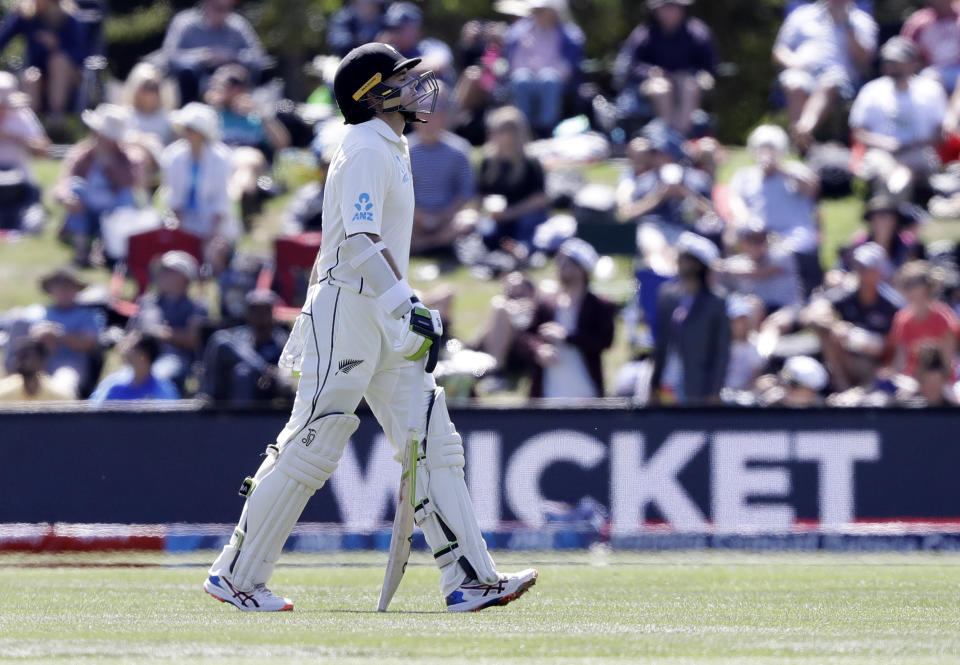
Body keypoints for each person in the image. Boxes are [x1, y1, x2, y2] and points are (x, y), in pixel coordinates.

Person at [204, 42, 536, 613]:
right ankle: (235, 574)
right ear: (372, 95)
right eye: (401, 81)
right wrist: (407, 303)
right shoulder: (364, 147)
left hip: (380, 312)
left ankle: (469, 580)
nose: (415, 90)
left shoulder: (389, 145)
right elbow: (358, 241)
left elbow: (374, 242)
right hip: (346, 309)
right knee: (314, 439)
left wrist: (400, 306)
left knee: (431, 440)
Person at [513, 238, 616, 399]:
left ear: (581, 268)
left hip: (586, 394)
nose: (560, 266)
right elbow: (525, 337)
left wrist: (567, 337)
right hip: (546, 395)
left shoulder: (599, 305)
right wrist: (538, 349)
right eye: (559, 260)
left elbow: (604, 341)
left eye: (566, 262)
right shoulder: (546, 303)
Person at [727, 124, 822, 294]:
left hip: (793, 235)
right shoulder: (744, 176)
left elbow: (812, 187)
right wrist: (748, 224)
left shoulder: (793, 170)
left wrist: (779, 168)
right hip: (758, 235)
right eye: (761, 148)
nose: (765, 153)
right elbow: (735, 204)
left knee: (789, 248)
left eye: (770, 148)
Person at [849, 37, 947, 198]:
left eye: (897, 62)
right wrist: (883, 143)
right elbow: (858, 132)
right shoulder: (871, 90)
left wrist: (913, 143)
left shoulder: (931, 90)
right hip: (881, 152)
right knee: (883, 167)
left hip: (918, 151)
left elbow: (940, 134)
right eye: (888, 62)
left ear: (913, 63)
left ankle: (891, 203)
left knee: (910, 168)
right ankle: (892, 202)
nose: (891, 67)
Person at [774, 0, 878, 149]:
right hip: (802, 71)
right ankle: (801, 141)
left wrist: (847, 26)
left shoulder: (861, 20)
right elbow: (780, 50)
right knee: (794, 83)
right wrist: (794, 62)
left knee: (828, 84)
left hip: (840, 77)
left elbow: (865, 58)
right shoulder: (801, 15)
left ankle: (802, 132)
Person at [613, 0, 716, 136]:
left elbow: (709, 66)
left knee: (689, 87)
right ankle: (667, 137)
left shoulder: (697, 32)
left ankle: (678, 137)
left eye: (673, 7)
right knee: (662, 90)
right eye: (665, 8)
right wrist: (650, 72)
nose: (669, 13)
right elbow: (631, 66)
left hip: (687, 82)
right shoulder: (643, 33)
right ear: (655, 10)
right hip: (652, 83)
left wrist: (688, 74)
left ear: (682, 9)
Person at [650, 232, 730, 405]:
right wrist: (653, 383)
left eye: (685, 259)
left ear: (698, 265)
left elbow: (721, 350)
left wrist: (715, 390)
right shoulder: (667, 295)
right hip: (668, 381)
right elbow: (661, 342)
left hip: (698, 385)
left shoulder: (716, 301)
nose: (679, 262)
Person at [811, 242, 903, 391]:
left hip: (879, 367)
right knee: (828, 333)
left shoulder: (892, 305)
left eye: (867, 268)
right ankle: (842, 388)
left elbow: (896, 345)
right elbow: (817, 308)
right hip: (849, 359)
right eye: (858, 267)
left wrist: (862, 338)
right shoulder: (848, 294)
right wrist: (836, 325)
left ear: (879, 271)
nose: (862, 273)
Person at [204, 64, 290, 223]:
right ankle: (237, 207)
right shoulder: (213, 114)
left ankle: (235, 204)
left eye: (233, 87)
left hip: (248, 158)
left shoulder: (255, 116)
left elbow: (283, 143)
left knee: (248, 162)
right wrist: (212, 107)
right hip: (218, 159)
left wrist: (262, 114)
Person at [55, 103, 139, 266]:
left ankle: (111, 249)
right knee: (76, 187)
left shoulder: (129, 158)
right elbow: (64, 182)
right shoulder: (82, 154)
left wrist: (110, 165)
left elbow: (131, 184)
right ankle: (81, 250)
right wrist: (67, 197)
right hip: (85, 210)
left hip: (112, 213)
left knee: (126, 196)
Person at [408, 89, 476, 254]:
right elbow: (395, 192)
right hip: (414, 218)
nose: (428, 122)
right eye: (423, 117)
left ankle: (424, 246)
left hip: (448, 217)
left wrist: (445, 215)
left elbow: (466, 192)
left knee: (469, 220)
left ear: (443, 118)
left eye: (434, 116)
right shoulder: (403, 150)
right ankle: (435, 245)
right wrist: (418, 215)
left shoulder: (459, 149)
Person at [128, 250, 207, 391]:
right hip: (138, 357)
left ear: (185, 278)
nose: (162, 276)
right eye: (162, 271)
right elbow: (130, 333)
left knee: (158, 377)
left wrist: (160, 333)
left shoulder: (196, 307)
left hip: (173, 358)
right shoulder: (146, 302)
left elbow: (194, 339)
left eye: (169, 272)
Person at [503, 0, 584, 138]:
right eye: (536, 10)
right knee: (522, 79)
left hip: (555, 80)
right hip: (526, 77)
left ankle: (545, 131)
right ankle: (524, 130)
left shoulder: (569, 35)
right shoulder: (519, 32)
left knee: (549, 79)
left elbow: (568, 67)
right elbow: (513, 63)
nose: (538, 14)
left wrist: (544, 73)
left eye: (542, 10)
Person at [162, 102, 239, 246]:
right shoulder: (173, 156)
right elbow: (174, 198)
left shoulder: (221, 158)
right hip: (183, 223)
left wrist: (210, 235)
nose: (186, 133)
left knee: (214, 251)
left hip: (215, 227)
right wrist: (179, 230)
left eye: (190, 129)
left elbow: (221, 202)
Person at [162, 0, 267, 104]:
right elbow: (170, 56)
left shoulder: (238, 25)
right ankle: (188, 110)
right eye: (218, 7)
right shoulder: (184, 23)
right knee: (187, 71)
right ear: (206, 4)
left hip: (232, 83)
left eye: (227, 8)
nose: (223, 12)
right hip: (198, 80)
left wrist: (232, 56)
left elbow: (258, 57)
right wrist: (201, 56)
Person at [476, 105, 550, 250]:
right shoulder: (488, 161)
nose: (494, 134)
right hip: (499, 218)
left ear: (515, 134)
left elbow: (540, 200)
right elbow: (481, 195)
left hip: (525, 215)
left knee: (527, 226)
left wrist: (510, 214)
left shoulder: (530, 162)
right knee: (486, 232)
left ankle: (523, 250)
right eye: (493, 130)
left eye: (500, 131)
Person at [0, 0, 84, 127]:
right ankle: (30, 126)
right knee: (32, 77)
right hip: (38, 73)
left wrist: (57, 45)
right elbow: (3, 38)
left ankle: (56, 118)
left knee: (58, 61)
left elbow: (82, 54)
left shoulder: (68, 18)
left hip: (69, 77)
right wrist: (14, 15)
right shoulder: (27, 16)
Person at [199, 290, 292, 403]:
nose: (260, 317)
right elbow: (220, 343)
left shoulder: (280, 339)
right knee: (242, 371)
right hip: (236, 390)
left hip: (269, 390)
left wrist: (277, 373)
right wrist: (263, 368)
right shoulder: (238, 338)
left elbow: (287, 372)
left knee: (244, 372)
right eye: (255, 312)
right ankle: (210, 399)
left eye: (265, 311)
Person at [31, 267, 104, 398]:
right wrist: (40, 336)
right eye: (59, 287)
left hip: (72, 364)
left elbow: (88, 343)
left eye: (68, 287)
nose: (64, 291)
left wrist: (59, 335)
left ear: (77, 290)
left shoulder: (87, 314)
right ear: (50, 290)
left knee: (63, 385)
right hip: (40, 365)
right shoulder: (42, 312)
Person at [889, 260, 960, 378]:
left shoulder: (943, 317)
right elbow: (900, 360)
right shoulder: (902, 319)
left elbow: (947, 361)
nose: (908, 289)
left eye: (913, 284)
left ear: (927, 287)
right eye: (906, 284)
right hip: (911, 380)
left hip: (941, 379)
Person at [718, 219, 803, 315]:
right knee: (749, 305)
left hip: (787, 310)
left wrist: (725, 269)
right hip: (755, 312)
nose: (757, 244)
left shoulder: (781, 254)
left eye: (761, 239)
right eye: (751, 239)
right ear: (742, 243)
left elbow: (761, 272)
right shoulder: (735, 262)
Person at [0, 71, 49, 232]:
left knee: (32, 222)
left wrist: (14, 137)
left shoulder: (23, 116)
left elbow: (43, 150)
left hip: (21, 185)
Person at [839, 194, 925, 272]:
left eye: (887, 216)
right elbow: (842, 269)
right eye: (877, 217)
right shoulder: (859, 243)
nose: (882, 222)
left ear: (896, 220)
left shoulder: (908, 244)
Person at [89, 332, 180, 402]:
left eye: (133, 347)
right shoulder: (114, 383)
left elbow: (170, 421)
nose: (126, 350)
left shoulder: (163, 389)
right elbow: (93, 413)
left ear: (144, 355)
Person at [901, 0, 960, 93]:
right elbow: (904, 52)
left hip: (958, 68)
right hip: (934, 70)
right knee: (929, 82)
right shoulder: (918, 22)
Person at [0, 335, 73, 402]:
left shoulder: (60, 395)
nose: (20, 360)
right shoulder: (3, 391)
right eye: (18, 355)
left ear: (41, 360)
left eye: (25, 355)